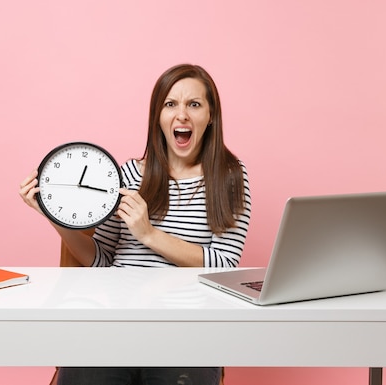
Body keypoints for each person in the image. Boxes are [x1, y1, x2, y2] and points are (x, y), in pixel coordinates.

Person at [19, 64, 251, 385]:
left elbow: (224, 266)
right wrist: (54, 217)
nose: (181, 114)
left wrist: (149, 234)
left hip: (187, 331)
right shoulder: (128, 175)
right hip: (114, 322)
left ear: (211, 116)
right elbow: (100, 260)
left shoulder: (229, 177)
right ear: (158, 116)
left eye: (193, 104)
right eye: (170, 104)